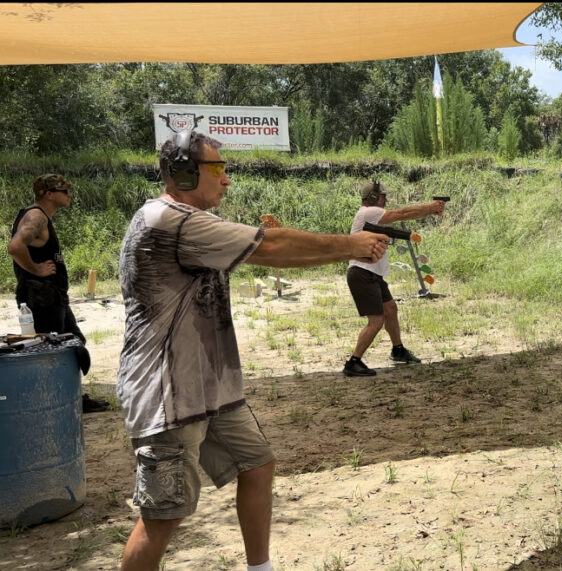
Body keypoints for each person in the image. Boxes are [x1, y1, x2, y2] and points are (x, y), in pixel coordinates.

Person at [115, 130, 387, 571]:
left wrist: (329, 250)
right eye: (217, 168)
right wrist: (349, 245)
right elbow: (273, 247)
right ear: (184, 172)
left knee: (257, 464)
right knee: (163, 515)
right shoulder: (170, 220)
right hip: (169, 393)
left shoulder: (181, 219)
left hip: (208, 386)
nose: (226, 180)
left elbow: (270, 252)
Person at [7, 174, 108, 413]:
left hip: (51, 296)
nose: (69, 195)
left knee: (72, 342)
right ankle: (53, 400)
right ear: (48, 194)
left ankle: (70, 396)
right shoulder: (36, 216)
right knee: (52, 350)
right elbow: (14, 247)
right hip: (41, 297)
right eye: (64, 191)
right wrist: (36, 269)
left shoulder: (40, 217)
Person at [342, 181, 445, 377]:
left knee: (390, 309)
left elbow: (400, 217)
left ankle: (398, 350)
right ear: (372, 198)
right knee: (376, 321)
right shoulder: (368, 212)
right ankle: (353, 362)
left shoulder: (371, 215)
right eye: (382, 196)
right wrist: (430, 208)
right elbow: (402, 214)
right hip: (363, 273)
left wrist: (429, 211)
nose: (386, 199)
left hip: (372, 274)